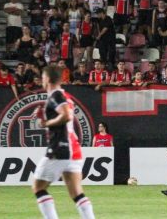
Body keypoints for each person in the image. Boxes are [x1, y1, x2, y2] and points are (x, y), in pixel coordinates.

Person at [32, 65, 96, 219]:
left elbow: (66, 115)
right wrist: (45, 118)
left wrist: (46, 123)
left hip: (61, 148)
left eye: (42, 77)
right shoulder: (64, 95)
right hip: (74, 149)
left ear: (47, 79)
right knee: (76, 193)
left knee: (38, 187)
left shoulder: (55, 96)